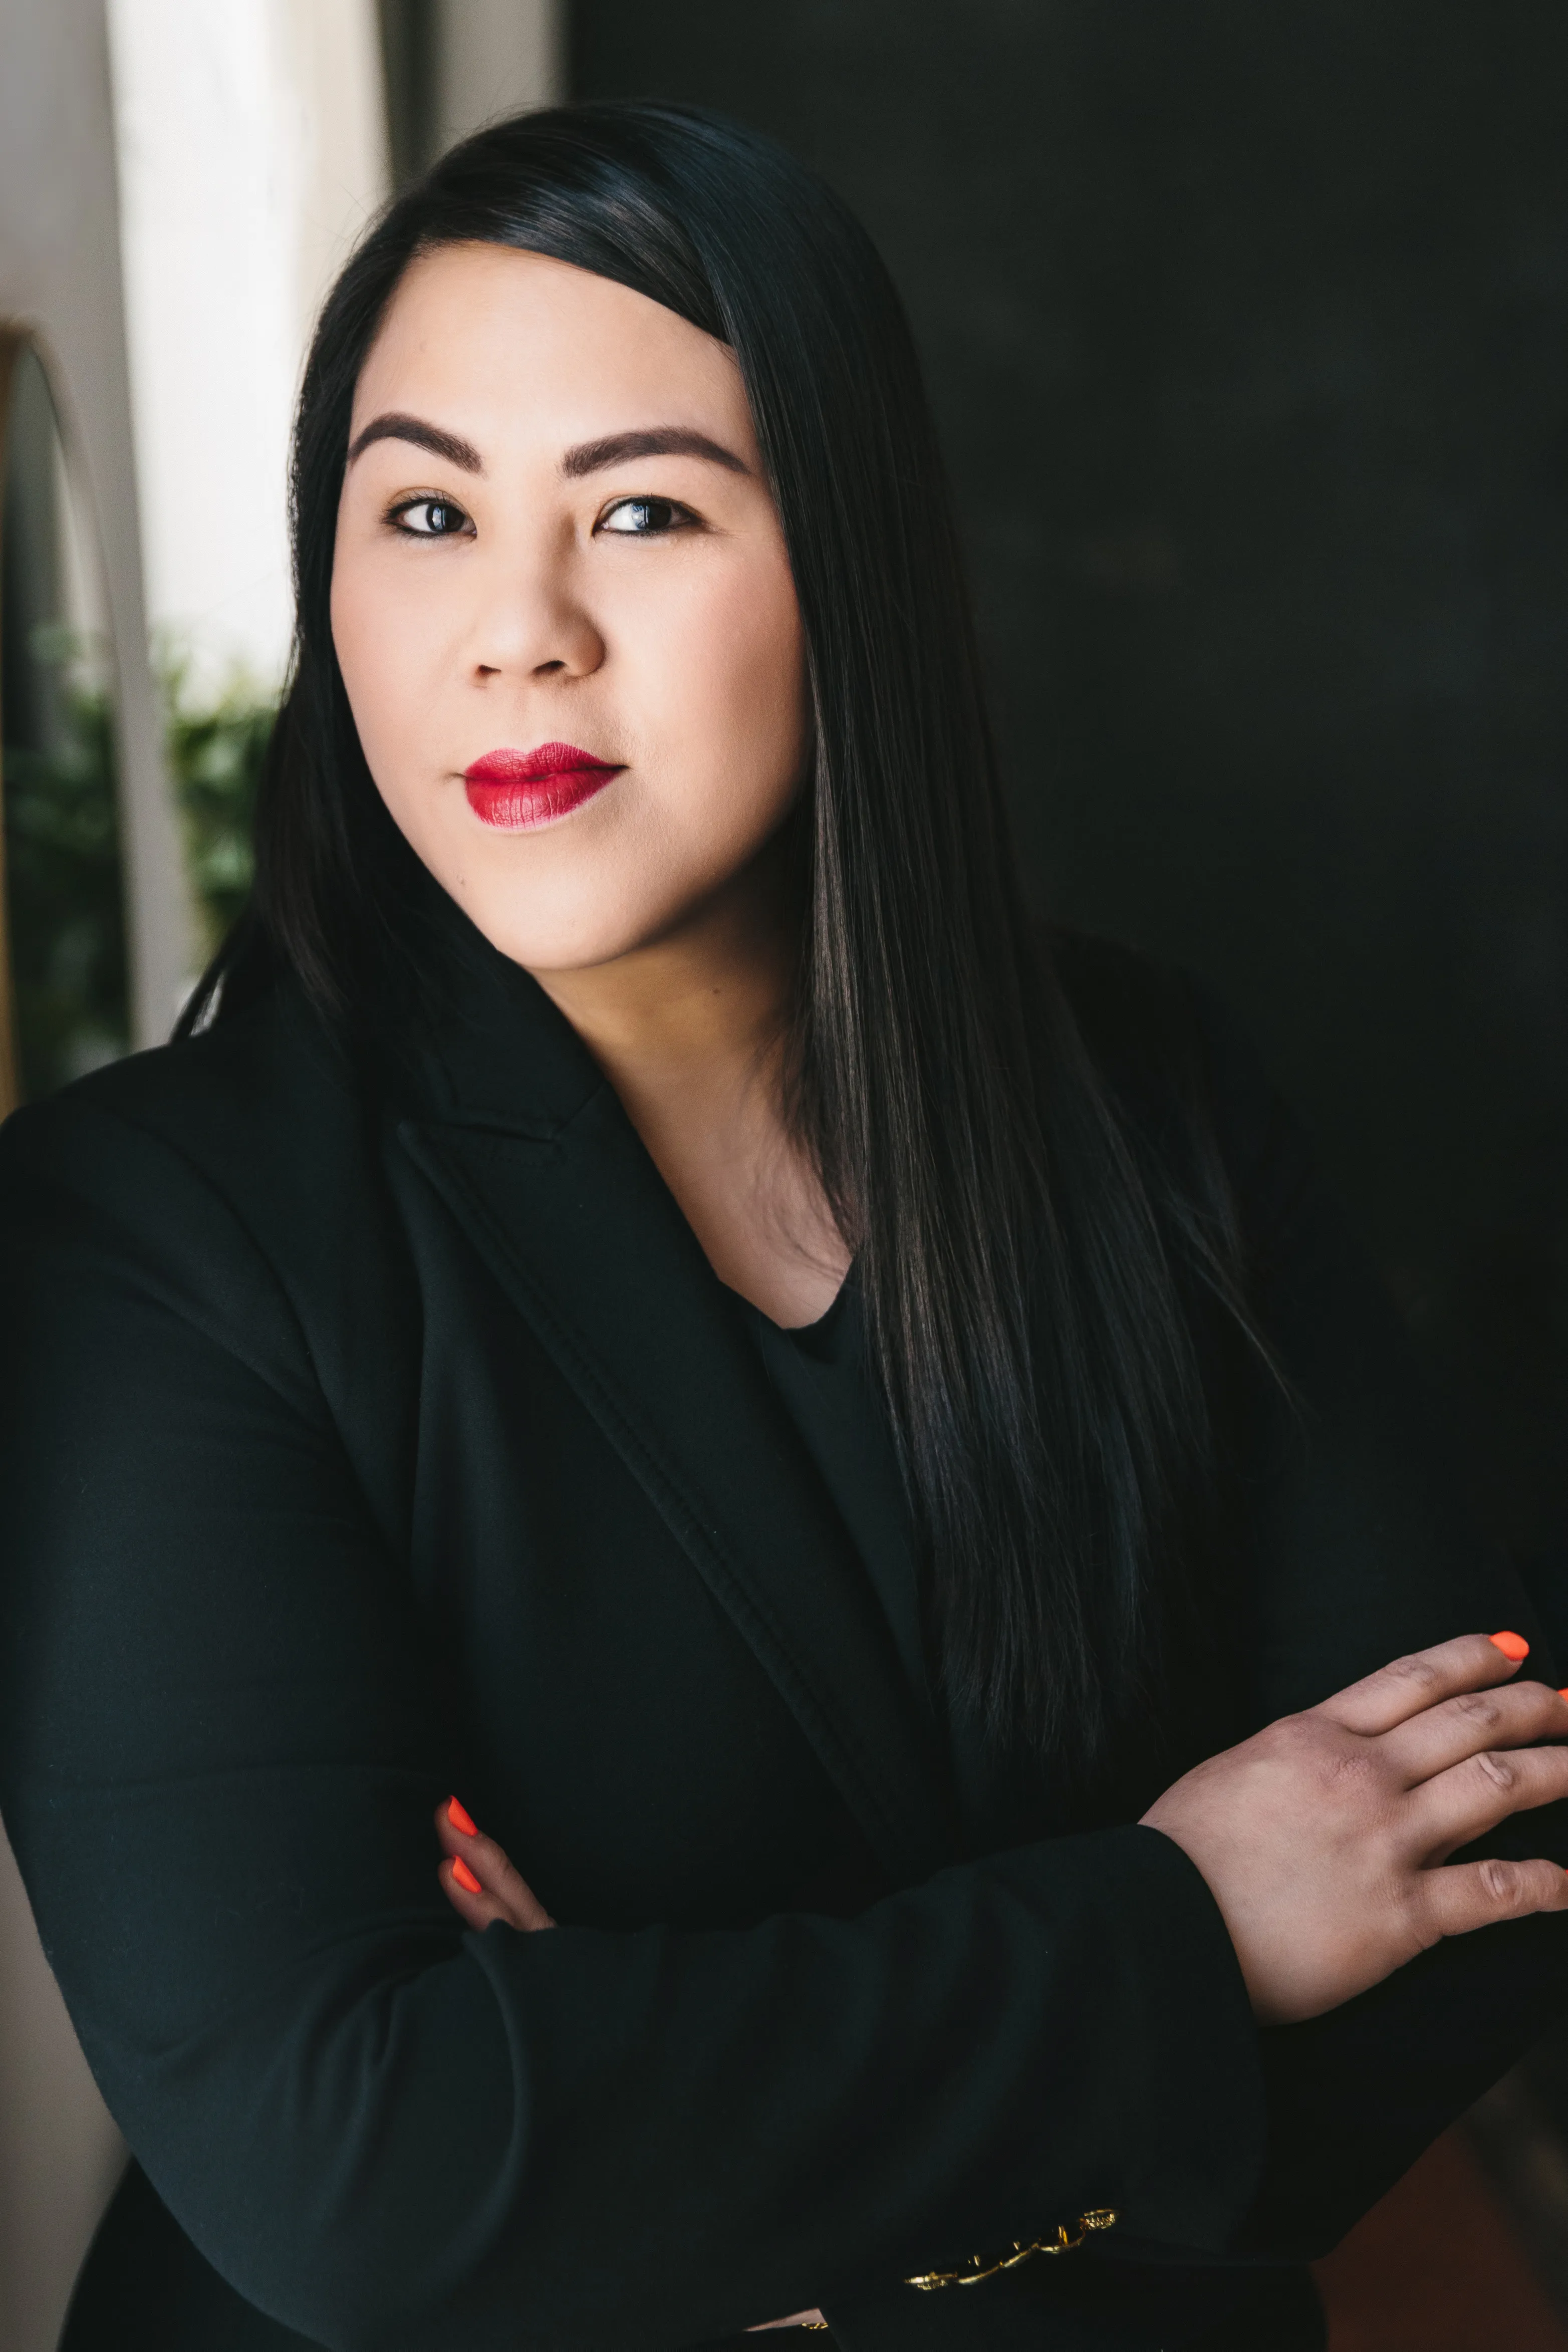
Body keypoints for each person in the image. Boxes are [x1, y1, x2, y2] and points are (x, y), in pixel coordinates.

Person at [1, 102, 1566, 2352]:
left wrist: (654, 2134)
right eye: (423, 511)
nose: (515, 635)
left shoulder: (1147, 1101)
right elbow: (366, 2167)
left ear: (847, 558)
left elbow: (1480, 1876)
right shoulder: (143, 1234)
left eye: (639, 510)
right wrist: (1181, 1927)